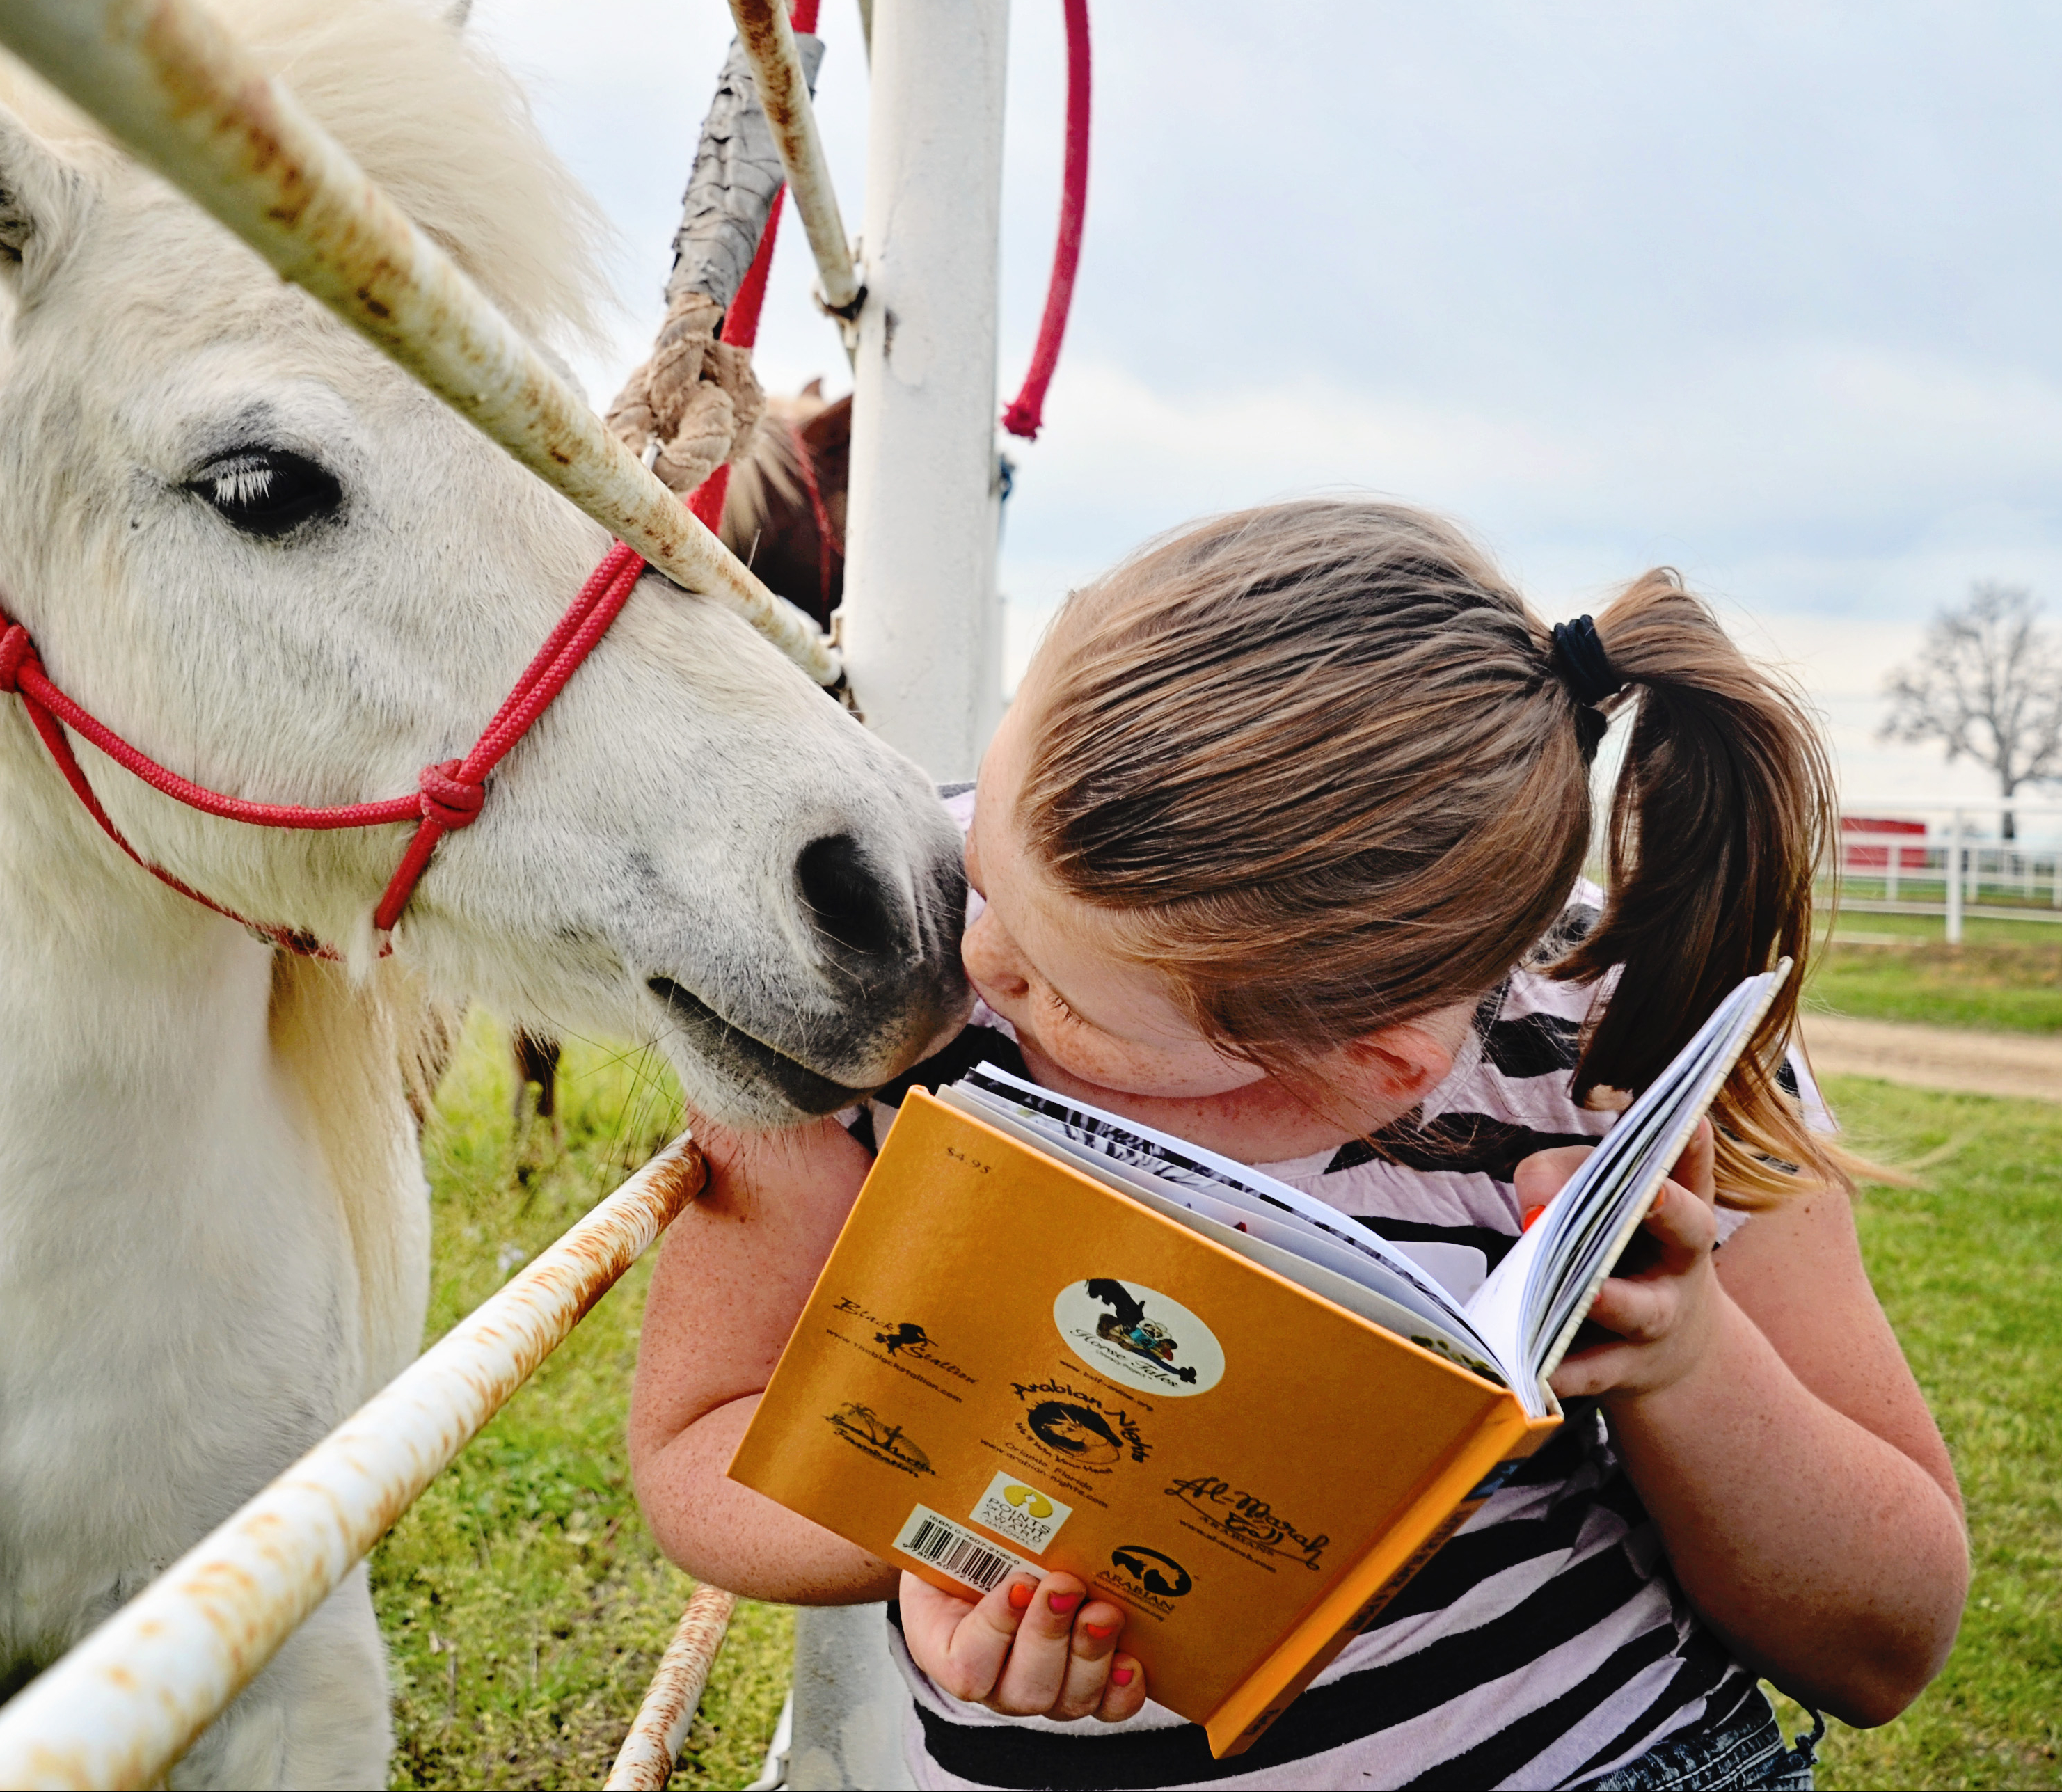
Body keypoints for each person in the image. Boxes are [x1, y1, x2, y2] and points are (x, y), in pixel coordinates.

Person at [630, 501, 1968, 1790]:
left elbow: (1881, 1644)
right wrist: (955, 1535)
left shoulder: (1627, 1044)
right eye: (984, 865)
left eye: (1065, 995)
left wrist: (1684, 1356)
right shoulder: (870, 936)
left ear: (1375, 1065)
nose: (978, 963)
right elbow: (699, 1447)